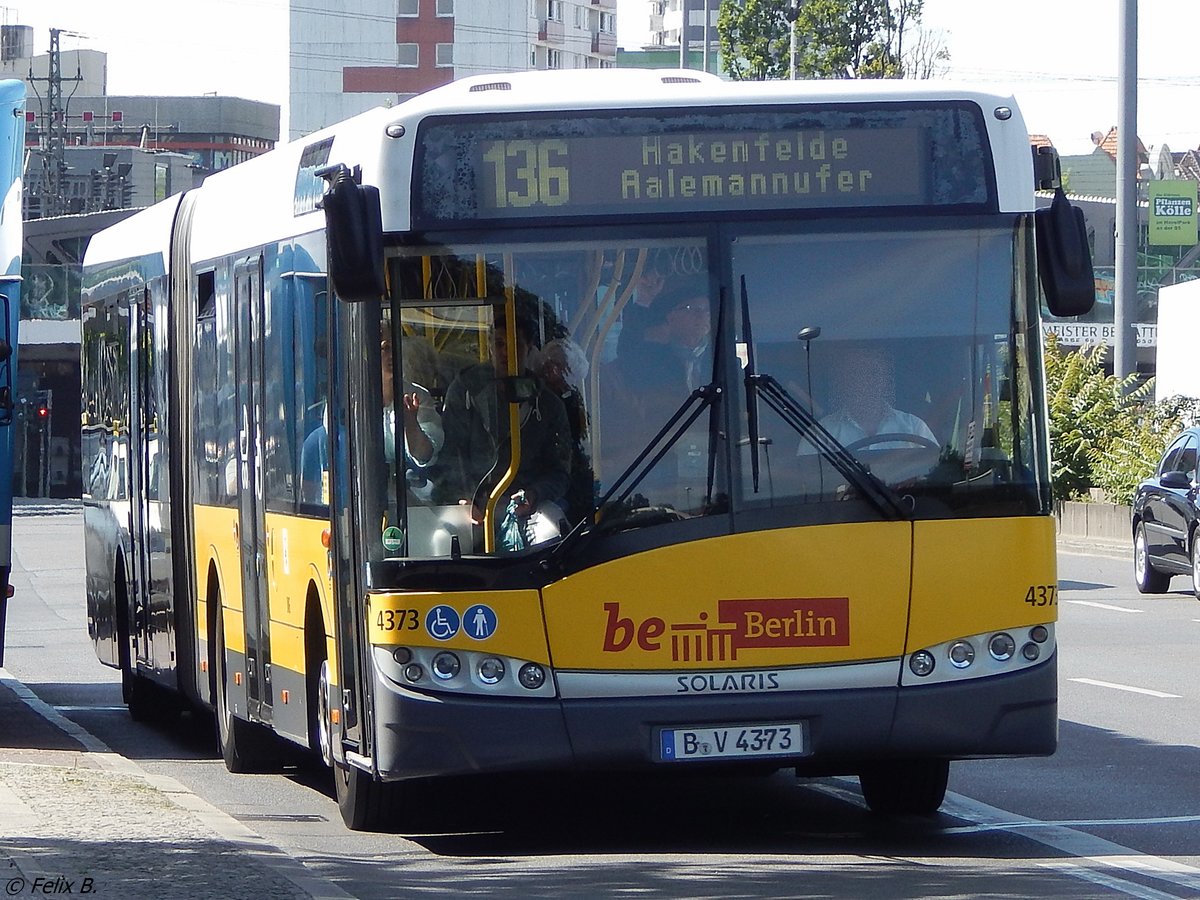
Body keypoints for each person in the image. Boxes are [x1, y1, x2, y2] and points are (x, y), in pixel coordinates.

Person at [433, 307, 572, 548]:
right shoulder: (465, 392)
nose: (506, 353)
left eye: (515, 345)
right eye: (499, 344)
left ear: (529, 349)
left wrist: (534, 494)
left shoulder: (548, 405)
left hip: (528, 506)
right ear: (488, 347)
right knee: (443, 541)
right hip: (474, 502)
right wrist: (460, 498)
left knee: (552, 534)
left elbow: (560, 471)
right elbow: (449, 455)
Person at [801, 347, 936, 453]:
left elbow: (936, 470)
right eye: (855, 374)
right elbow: (806, 480)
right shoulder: (821, 433)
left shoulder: (914, 427)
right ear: (843, 382)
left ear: (885, 381)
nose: (865, 382)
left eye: (873, 373)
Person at [539, 336, 594, 525]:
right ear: (552, 369)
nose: (568, 388)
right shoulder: (540, 403)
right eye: (567, 381)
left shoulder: (570, 400)